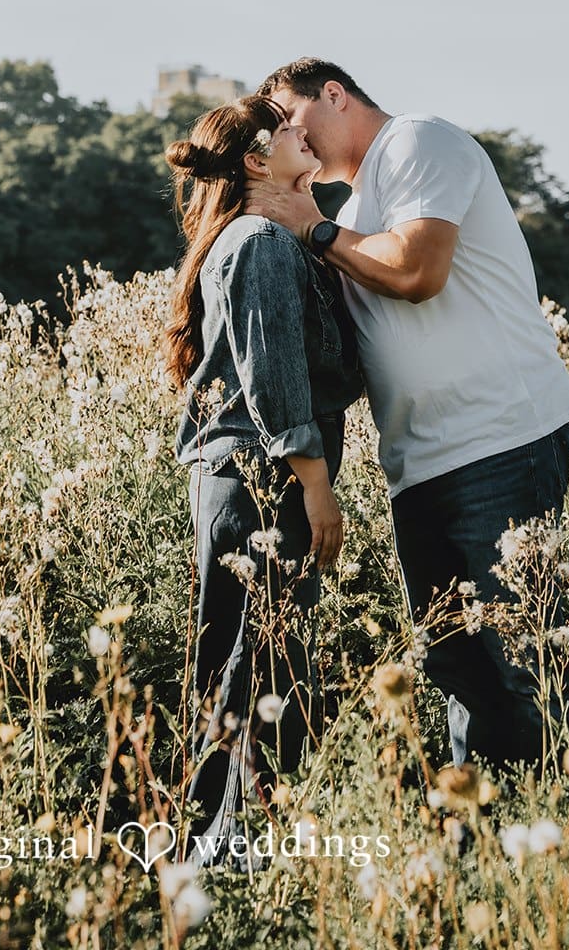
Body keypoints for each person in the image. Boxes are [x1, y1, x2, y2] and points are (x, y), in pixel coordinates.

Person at [247, 57, 569, 770]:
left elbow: (415, 271)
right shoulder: (350, 215)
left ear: (334, 94)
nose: (290, 135)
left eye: (290, 117)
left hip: (500, 437)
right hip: (418, 464)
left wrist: (313, 230)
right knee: (457, 666)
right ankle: (490, 820)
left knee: (525, 653)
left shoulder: (417, 141)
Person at [164, 94, 363, 864]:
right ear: (254, 160)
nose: (301, 131)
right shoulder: (259, 241)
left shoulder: (259, 236)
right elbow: (271, 376)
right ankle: (230, 852)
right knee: (259, 663)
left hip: (248, 475)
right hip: (263, 478)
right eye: (284, 129)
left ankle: (218, 847)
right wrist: (315, 484)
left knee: (242, 658)